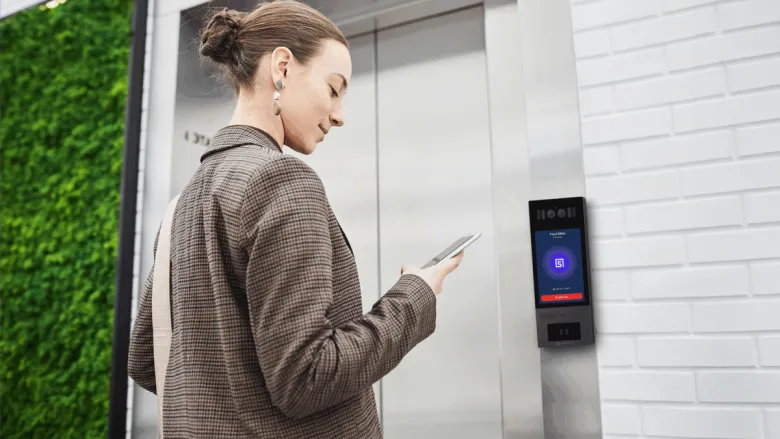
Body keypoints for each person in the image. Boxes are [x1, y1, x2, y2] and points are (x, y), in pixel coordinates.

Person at [127, 1, 464, 437]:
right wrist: (414, 296)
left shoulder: (182, 204)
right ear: (282, 67)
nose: (339, 115)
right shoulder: (281, 179)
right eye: (334, 89)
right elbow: (308, 378)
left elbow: (146, 361)